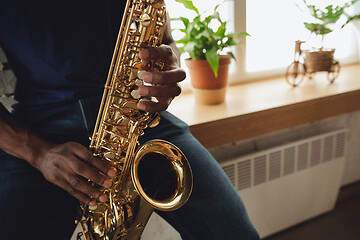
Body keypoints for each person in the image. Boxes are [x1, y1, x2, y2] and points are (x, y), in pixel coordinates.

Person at [0, 1, 259, 240]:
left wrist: (167, 61)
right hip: (37, 132)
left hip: (135, 115)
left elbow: (166, 40)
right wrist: (36, 153)